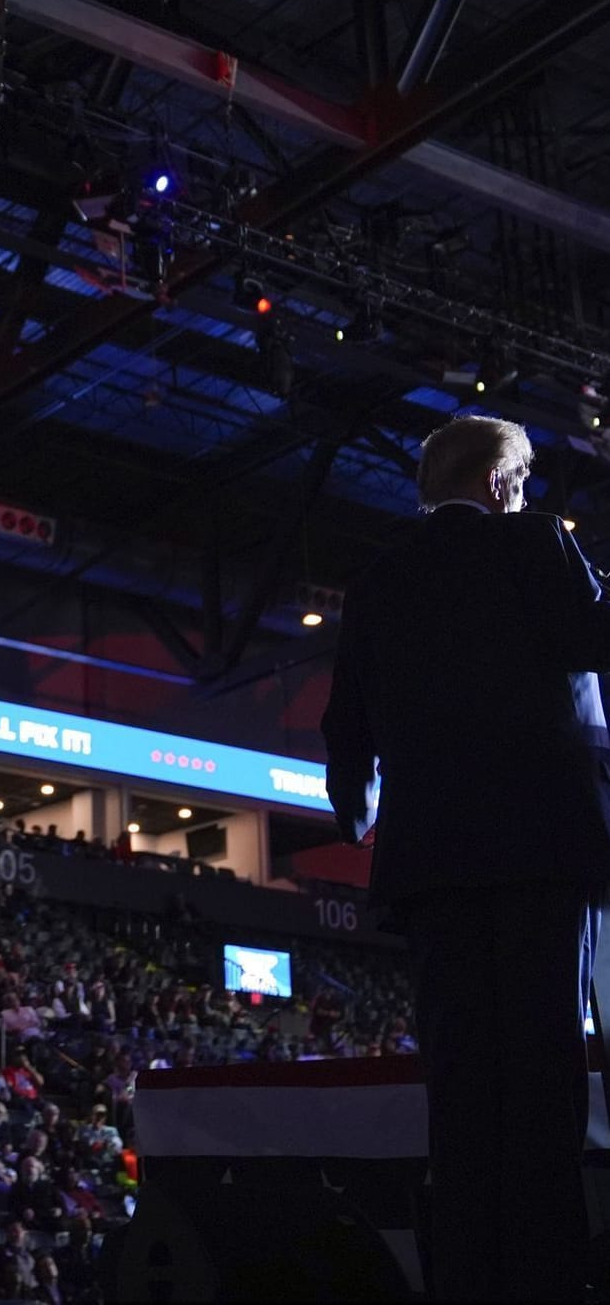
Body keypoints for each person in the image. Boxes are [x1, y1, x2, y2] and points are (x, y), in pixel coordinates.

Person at [321, 414, 610, 1304]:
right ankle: (546, 1277)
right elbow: (592, 644)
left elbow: (345, 726)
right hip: (543, 849)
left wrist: (357, 803)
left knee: (459, 1080)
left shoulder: (380, 576)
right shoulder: (535, 545)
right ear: (499, 484)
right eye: (520, 483)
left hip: (430, 861)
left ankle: (470, 1280)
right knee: (540, 1073)